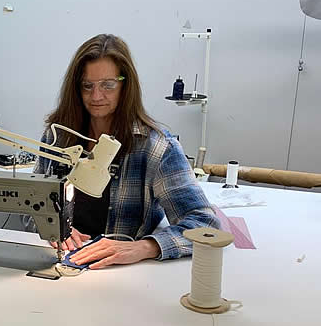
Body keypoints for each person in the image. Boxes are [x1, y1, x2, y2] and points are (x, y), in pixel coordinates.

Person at [34, 34, 220, 269]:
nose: (96, 96)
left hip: (125, 274)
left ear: (125, 85)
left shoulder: (157, 148)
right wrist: (50, 227)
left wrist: (144, 247)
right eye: (87, 86)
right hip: (64, 263)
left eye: (108, 85)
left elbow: (206, 225)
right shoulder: (57, 139)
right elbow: (30, 205)